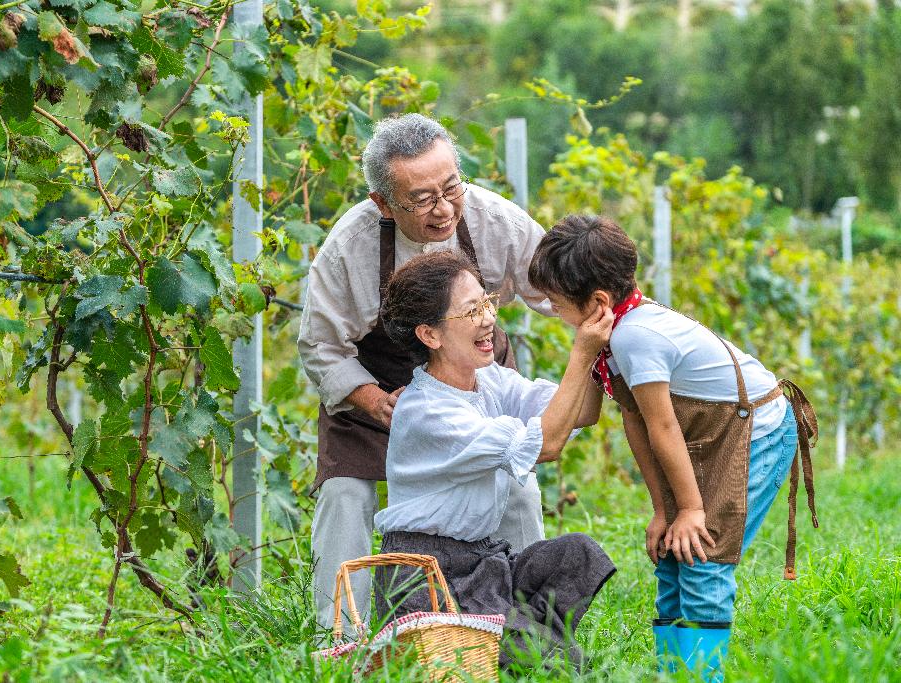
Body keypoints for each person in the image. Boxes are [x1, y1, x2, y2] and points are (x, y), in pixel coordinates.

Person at [527, 215, 819, 682]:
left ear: (598, 302)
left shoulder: (635, 336)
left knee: (702, 556)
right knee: (672, 552)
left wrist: (691, 509)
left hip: (756, 432)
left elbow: (663, 426)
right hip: (707, 435)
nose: (551, 310)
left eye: (556, 303)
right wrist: (665, 511)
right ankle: (673, 673)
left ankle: (702, 677)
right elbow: (635, 419)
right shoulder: (616, 336)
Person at [298, 113, 556, 629]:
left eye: (451, 188)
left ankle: (533, 628)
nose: (443, 209)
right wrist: (372, 400)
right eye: (421, 200)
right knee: (345, 493)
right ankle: (341, 638)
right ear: (383, 203)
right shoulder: (351, 246)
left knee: (519, 490)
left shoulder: (492, 220)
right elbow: (321, 344)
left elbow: (552, 285)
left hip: (474, 380)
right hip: (378, 393)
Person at [371, 250, 615, 670]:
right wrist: (582, 353)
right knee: (561, 662)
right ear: (430, 335)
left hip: (483, 563)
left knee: (578, 554)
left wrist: (597, 348)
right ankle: (518, 638)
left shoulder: (489, 381)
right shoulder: (427, 411)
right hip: (427, 580)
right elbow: (548, 446)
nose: (487, 319)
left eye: (487, 302)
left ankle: (515, 634)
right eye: (471, 311)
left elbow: (581, 412)